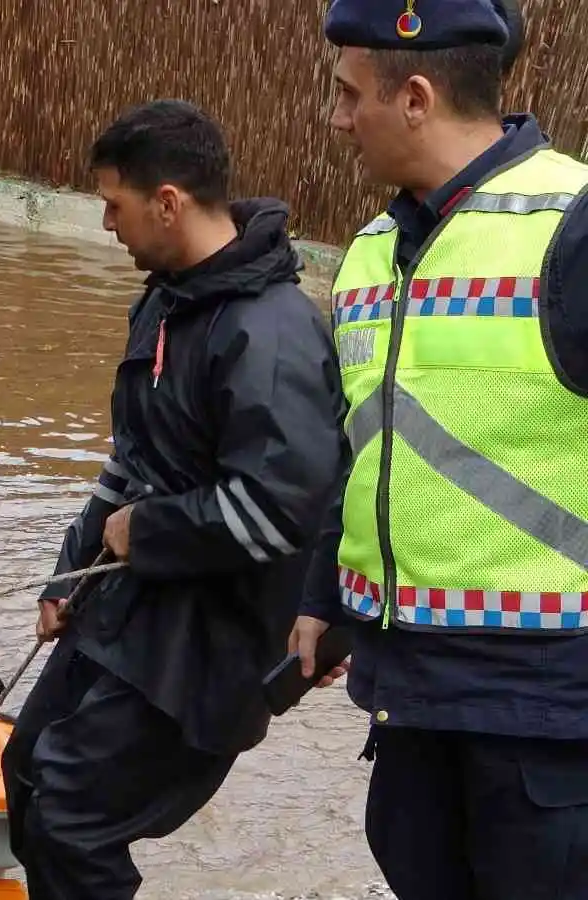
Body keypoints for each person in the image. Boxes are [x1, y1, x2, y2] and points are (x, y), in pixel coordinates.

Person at [1, 99, 350, 900]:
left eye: (112, 205)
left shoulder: (268, 335)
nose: (104, 225)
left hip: (213, 643)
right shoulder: (165, 302)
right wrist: (71, 570)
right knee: (25, 773)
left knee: (72, 817)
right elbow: (134, 461)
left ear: (167, 203)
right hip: (135, 604)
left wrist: (143, 531)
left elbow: (278, 512)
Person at [287, 2, 588, 897]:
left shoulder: (570, 228)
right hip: (410, 699)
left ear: (415, 96)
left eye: (348, 96)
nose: (337, 120)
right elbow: (369, 447)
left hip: (547, 721)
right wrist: (322, 596)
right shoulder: (374, 254)